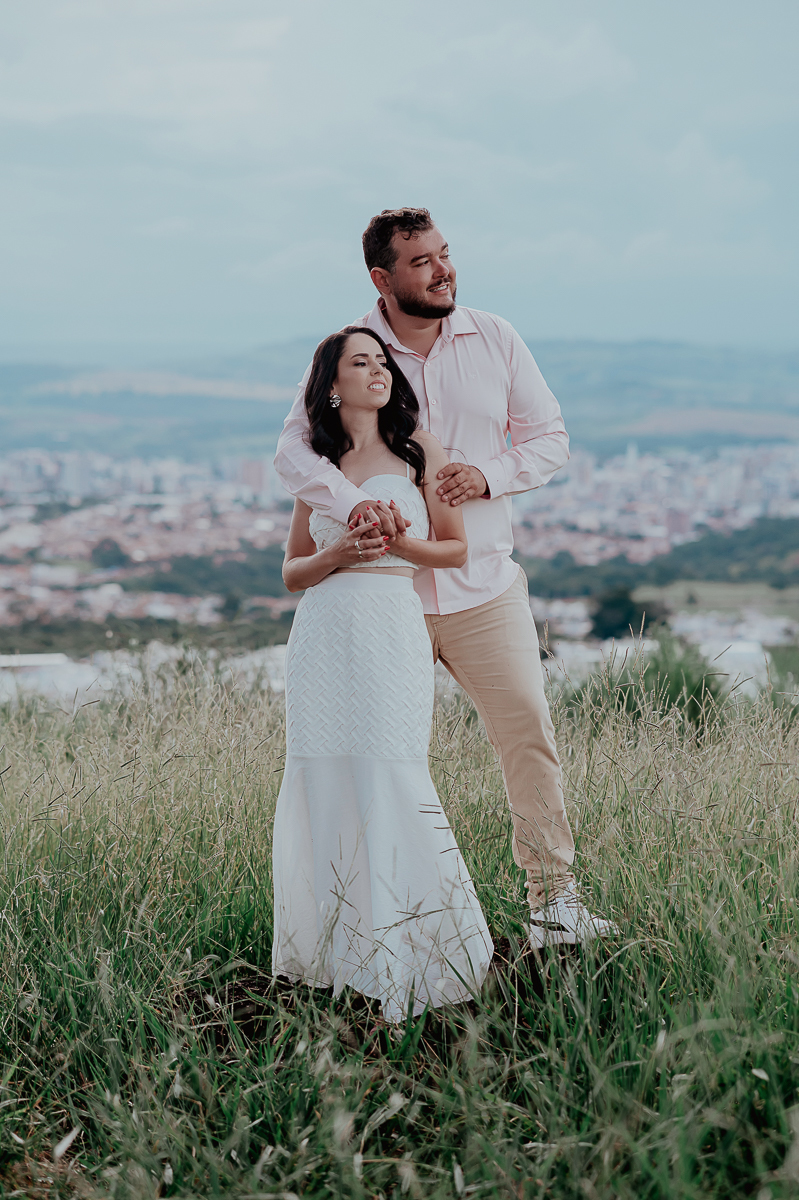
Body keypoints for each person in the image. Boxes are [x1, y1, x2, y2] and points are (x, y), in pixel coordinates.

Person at [275, 207, 617, 949]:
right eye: (421, 261)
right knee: (378, 757)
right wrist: (355, 504)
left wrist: (484, 477)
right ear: (382, 277)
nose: (442, 269)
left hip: (479, 584)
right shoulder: (349, 350)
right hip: (372, 604)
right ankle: (371, 916)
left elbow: (549, 438)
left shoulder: (494, 336)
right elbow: (294, 455)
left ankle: (553, 899)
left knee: (526, 732)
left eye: (444, 254)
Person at [272, 325, 493, 1021]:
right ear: (331, 384)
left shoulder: (417, 449)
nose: (377, 372)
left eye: (381, 362)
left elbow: (456, 551)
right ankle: (342, 954)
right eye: (359, 363)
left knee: (391, 769)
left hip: (391, 626)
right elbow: (290, 572)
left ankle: (417, 951)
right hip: (324, 632)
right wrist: (338, 557)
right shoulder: (318, 463)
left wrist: (400, 542)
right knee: (326, 774)